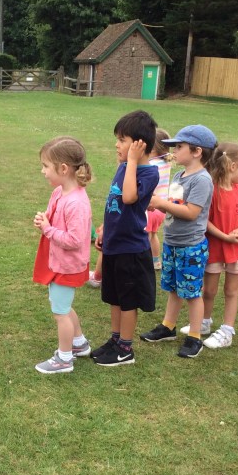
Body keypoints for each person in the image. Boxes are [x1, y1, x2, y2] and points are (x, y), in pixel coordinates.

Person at [139, 124, 216, 358]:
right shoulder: (178, 176)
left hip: (190, 247)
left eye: (179, 147)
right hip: (172, 242)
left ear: (197, 152)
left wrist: (161, 203)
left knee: (191, 293)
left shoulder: (202, 180)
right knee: (173, 288)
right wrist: (157, 204)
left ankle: (195, 336)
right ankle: (168, 326)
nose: (174, 151)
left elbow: (191, 212)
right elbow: (175, 206)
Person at [90, 110, 159, 367]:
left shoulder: (148, 174)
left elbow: (129, 197)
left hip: (131, 249)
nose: (117, 145)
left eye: (122, 140)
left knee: (128, 301)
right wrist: (104, 231)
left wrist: (131, 161)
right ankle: (115, 339)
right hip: (114, 245)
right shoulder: (123, 168)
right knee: (115, 297)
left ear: (139, 145)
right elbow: (115, 202)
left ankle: (125, 349)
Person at [184, 142, 238, 349]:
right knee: (209, 290)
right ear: (232, 166)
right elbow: (204, 220)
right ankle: (204, 322)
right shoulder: (211, 189)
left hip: (237, 249)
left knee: (231, 291)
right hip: (214, 249)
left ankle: (227, 330)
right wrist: (224, 236)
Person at [32, 137, 93, 374]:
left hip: (67, 265)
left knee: (60, 313)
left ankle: (64, 359)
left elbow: (75, 240)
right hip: (57, 261)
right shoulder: (59, 192)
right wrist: (44, 219)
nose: (43, 171)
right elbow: (53, 215)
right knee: (63, 306)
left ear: (64, 168)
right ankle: (79, 344)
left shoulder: (76, 202)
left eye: (46, 166)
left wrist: (47, 229)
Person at [146, 128, 172, 271]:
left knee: (146, 235)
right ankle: (156, 260)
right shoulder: (166, 163)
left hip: (152, 207)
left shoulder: (152, 165)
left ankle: (143, 260)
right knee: (153, 234)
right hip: (162, 209)